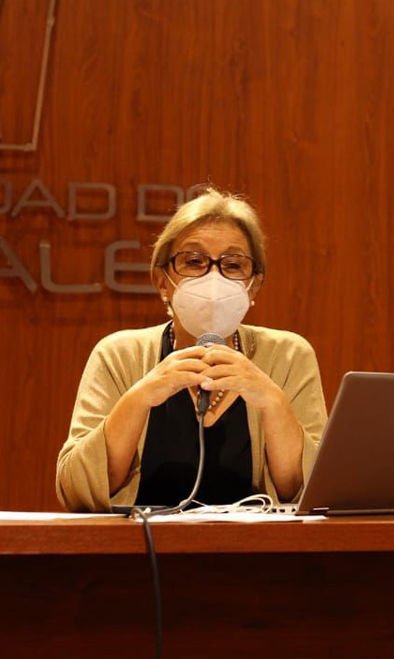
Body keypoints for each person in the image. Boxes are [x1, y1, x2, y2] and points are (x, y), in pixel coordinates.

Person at [55, 189, 328, 512]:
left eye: (233, 264)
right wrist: (140, 397)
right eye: (194, 262)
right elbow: (76, 490)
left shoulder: (288, 355)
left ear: (253, 285)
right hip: (140, 555)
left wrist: (272, 401)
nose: (213, 277)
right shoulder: (118, 354)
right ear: (162, 281)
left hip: (259, 554)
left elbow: (307, 490)